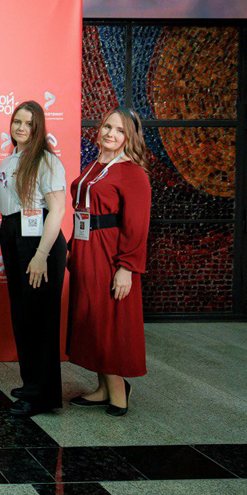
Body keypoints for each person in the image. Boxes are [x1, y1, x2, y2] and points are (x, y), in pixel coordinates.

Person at [67, 106, 152, 417]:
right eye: (107, 127)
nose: (110, 134)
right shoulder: (93, 166)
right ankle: (102, 387)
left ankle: (118, 391)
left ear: (129, 137)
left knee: (108, 319)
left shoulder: (132, 172)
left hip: (109, 253)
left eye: (119, 130)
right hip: (85, 249)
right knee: (91, 317)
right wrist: (72, 248)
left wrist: (126, 267)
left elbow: (137, 225)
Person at [0, 102, 67, 416]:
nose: (21, 128)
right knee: (23, 315)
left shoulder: (47, 160)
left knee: (40, 318)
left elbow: (58, 210)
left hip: (39, 241)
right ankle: (31, 384)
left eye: (28, 123)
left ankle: (41, 395)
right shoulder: (10, 158)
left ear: (38, 127)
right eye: (17, 122)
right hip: (14, 233)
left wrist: (41, 255)